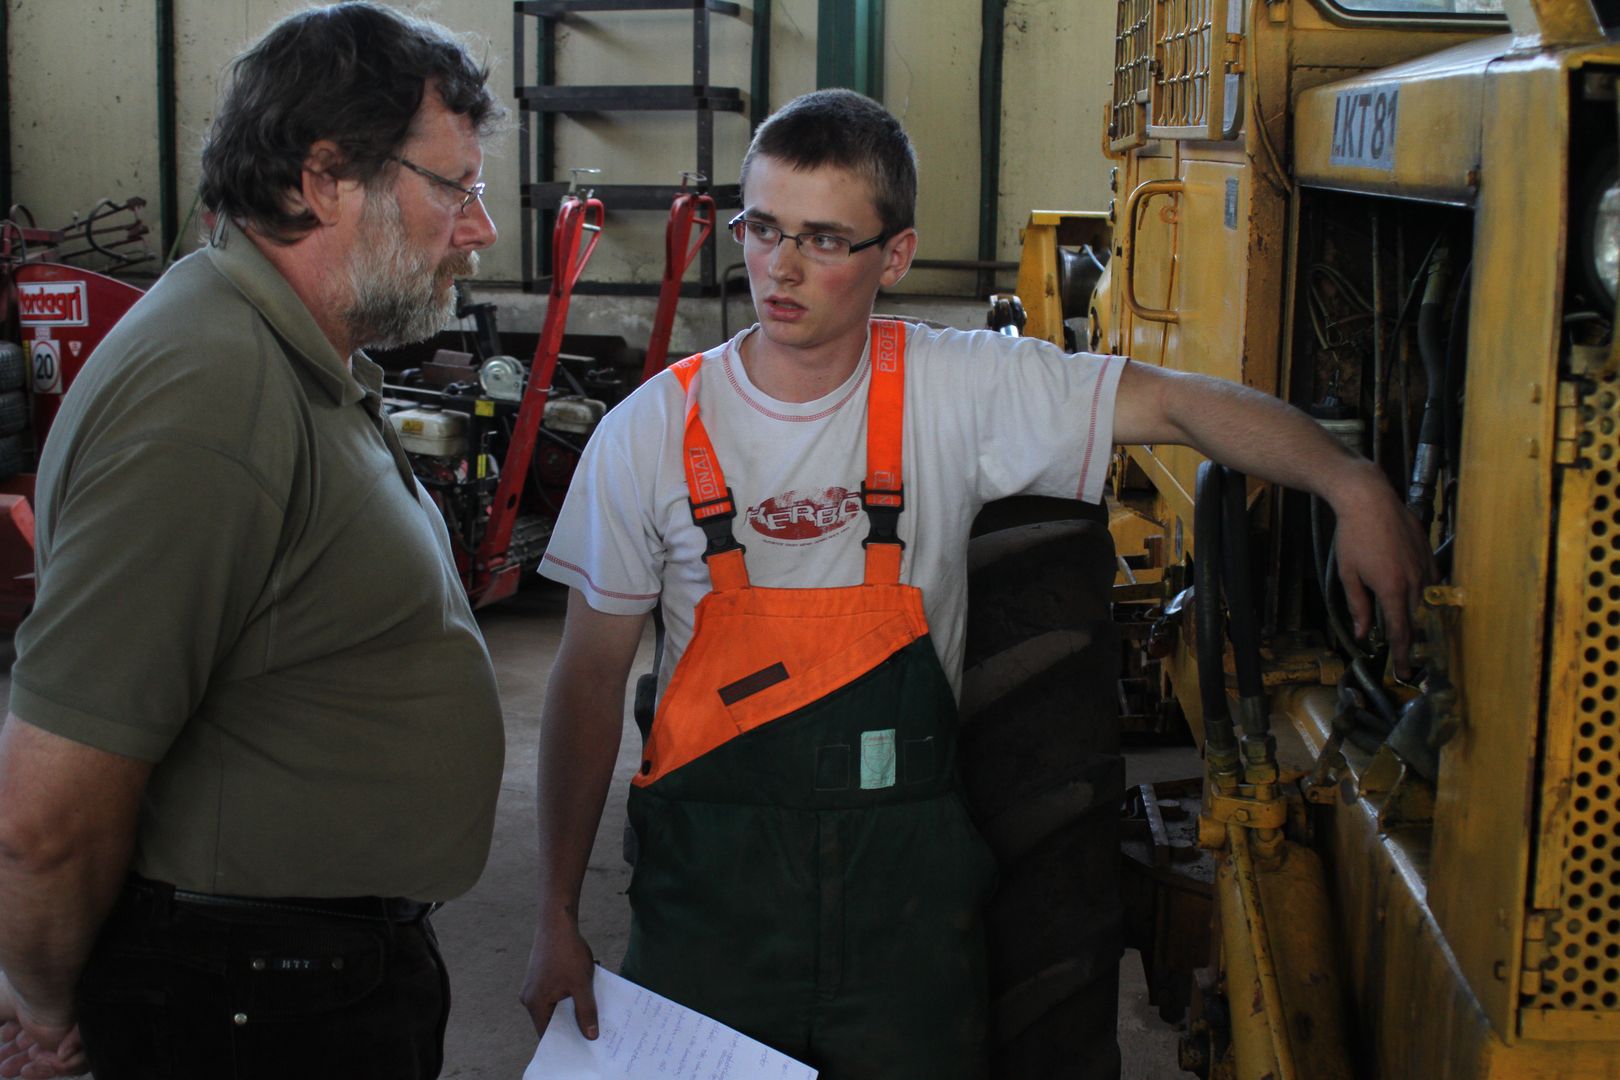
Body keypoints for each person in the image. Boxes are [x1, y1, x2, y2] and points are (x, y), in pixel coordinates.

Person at [521, 89, 1431, 1078]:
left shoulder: (959, 388)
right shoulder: (653, 431)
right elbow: (588, 680)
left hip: (905, 928)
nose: (779, 268)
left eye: (824, 240)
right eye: (764, 227)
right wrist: (556, 912)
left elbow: (1178, 404)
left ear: (895, 257)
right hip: (709, 915)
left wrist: (1353, 484)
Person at [0, 5, 506, 1078]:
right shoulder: (208, 390)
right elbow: (48, 815)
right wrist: (47, 1007)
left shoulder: (291, 356)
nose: (480, 229)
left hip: (304, 977)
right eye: (455, 188)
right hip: (250, 997)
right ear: (324, 180)